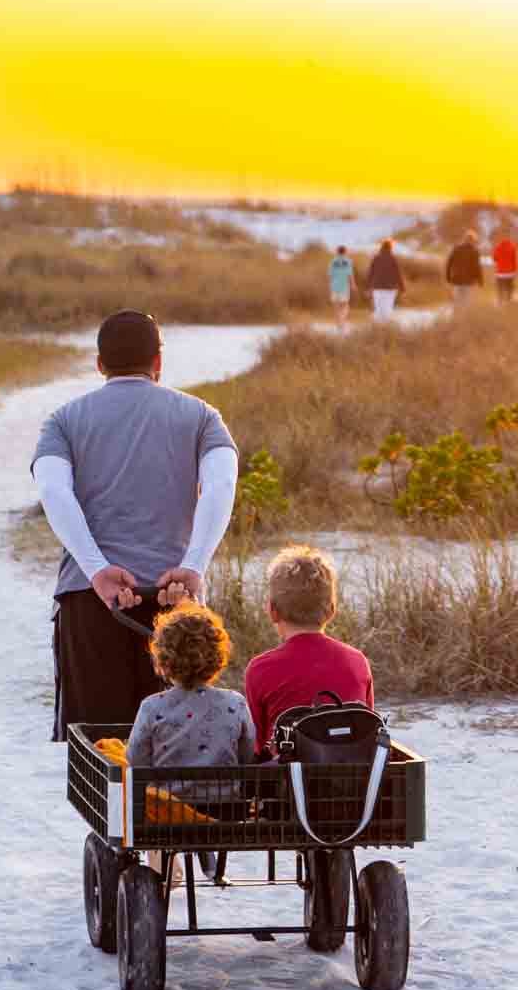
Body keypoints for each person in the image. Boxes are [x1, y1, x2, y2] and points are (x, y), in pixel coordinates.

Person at [32, 308, 239, 740]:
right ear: (158, 363)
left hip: (91, 602)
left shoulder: (63, 421)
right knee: (179, 751)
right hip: (174, 602)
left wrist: (96, 570)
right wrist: (194, 566)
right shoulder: (202, 417)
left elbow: (53, 492)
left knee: (99, 757)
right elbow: (220, 485)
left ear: (100, 364)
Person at [243, 545, 374, 757]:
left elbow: (257, 745)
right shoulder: (357, 662)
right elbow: (366, 729)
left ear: (272, 612)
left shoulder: (260, 669)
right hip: (352, 784)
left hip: (286, 786)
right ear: (331, 611)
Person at [125, 602, 255, 773]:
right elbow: (247, 754)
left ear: (163, 662)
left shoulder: (151, 707)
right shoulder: (236, 703)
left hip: (165, 798)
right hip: (225, 798)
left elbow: (136, 759)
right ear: (218, 658)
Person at [365, 238, 405, 322]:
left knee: (378, 309)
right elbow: (398, 275)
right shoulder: (393, 259)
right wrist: (402, 288)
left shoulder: (376, 258)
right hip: (390, 288)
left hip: (377, 287)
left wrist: (368, 287)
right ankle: (386, 329)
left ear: (381, 247)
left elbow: (370, 273)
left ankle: (378, 329)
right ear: (390, 248)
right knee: (388, 309)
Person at [445, 227, 484, 306]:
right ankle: (464, 317)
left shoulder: (456, 248)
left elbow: (449, 263)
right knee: (466, 304)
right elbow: (477, 268)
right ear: (473, 240)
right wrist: (480, 281)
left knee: (457, 303)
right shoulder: (475, 251)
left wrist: (448, 278)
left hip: (456, 280)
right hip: (468, 282)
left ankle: (456, 317)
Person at [328, 244, 357, 331]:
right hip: (344, 287)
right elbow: (350, 275)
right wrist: (353, 284)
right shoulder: (348, 261)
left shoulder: (333, 261)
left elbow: (330, 275)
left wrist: (329, 286)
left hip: (334, 286)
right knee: (345, 306)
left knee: (336, 307)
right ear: (345, 252)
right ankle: (342, 322)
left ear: (337, 251)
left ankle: (338, 324)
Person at [492, 230, 518, 303]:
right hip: (510, 273)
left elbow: (494, 258)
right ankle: (509, 304)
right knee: (509, 292)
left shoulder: (498, 247)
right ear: (509, 237)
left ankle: (500, 304)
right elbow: (515, 260)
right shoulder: (512, 246)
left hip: (500, 273)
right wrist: (515, 271)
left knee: (500, 292)